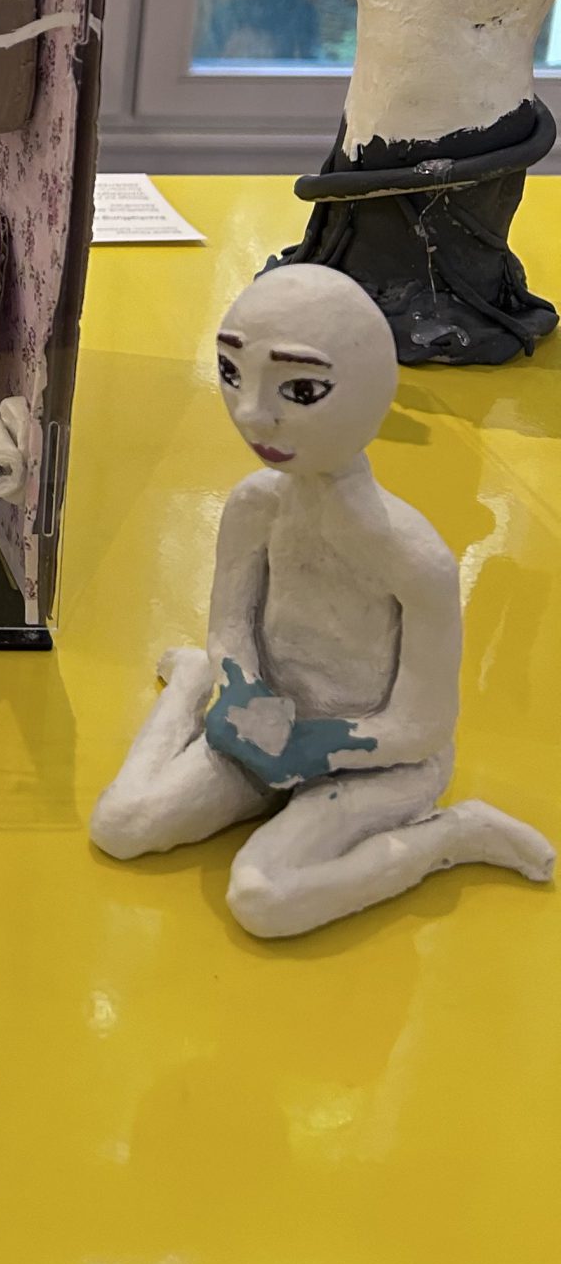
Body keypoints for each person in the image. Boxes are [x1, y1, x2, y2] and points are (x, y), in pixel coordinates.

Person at [90, 263, 553, 938]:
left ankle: (453, 836)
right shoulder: (255, 505)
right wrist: (237, 682)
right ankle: (190, 684)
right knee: (121, 824)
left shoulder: (414, 557)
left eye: (301, 389)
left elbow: (423, 724)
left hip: (381, 763)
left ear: (371, 391)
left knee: (263, 898)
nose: (251, 413)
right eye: (231, 373)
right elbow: (231, 626)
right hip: (268, 728)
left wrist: (315, 747)